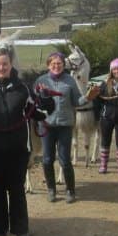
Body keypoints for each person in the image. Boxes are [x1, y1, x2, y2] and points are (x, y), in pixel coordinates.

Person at [0, 51, 46, 236]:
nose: (1, 68)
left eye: (4, 64)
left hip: (18, 149)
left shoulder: (23, 88)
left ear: (10, 65)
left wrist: (46, 101)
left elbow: (38, 112)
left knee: (17, 189)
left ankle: (21, 230)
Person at [34, 51, 88, 203]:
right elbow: (34, 102)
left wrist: (87, 98)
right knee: (47, 159)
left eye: (59, 64)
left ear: (64, 65)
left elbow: (76, 101)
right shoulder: (41, 80)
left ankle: (70, 190)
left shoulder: (70, 81)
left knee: (65, 160)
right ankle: (51, 189)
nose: (56, 66)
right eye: (53, 64)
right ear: (48, 65)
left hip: (65, 125)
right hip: (46, 126)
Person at [94, 58, 118, 176]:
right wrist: (95, 96)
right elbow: (98, 101)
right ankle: (103, 165)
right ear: (111, 70)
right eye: (114, 69)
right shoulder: (104, 84)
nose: (117, 71)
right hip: (106, 117)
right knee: (105, 141)